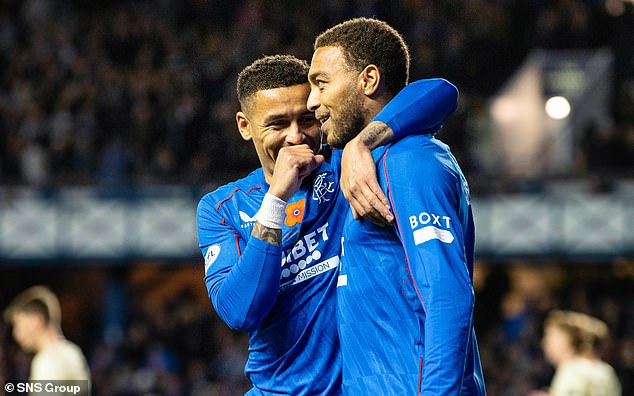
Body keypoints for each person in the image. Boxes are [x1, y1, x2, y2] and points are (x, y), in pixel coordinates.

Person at [196, 54, 458, 395]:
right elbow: (240, 312)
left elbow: (440, 93)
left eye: (307, 119)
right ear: (245, 126)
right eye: (276, 124)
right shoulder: (222, 208)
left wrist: (361, 143)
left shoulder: (344, 165)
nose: (296, 137)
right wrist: (275, 199)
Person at [307, 17, 486, 395]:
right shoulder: (352, 165)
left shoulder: (411, 161)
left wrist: (363, 142)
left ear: (369, 80)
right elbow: (437, 93)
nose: (312, 102)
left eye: (321, 83)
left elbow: (446, 294)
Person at [3, 286, 91, 392]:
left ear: (36, 321)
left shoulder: (46, 363)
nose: (16, 334)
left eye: (19, 325)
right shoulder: (73, 352)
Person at [530, 310, 621, 396]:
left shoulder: (570, 372)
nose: (544, 343)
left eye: (550, 336)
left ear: (566, 340)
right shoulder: (605, 370)